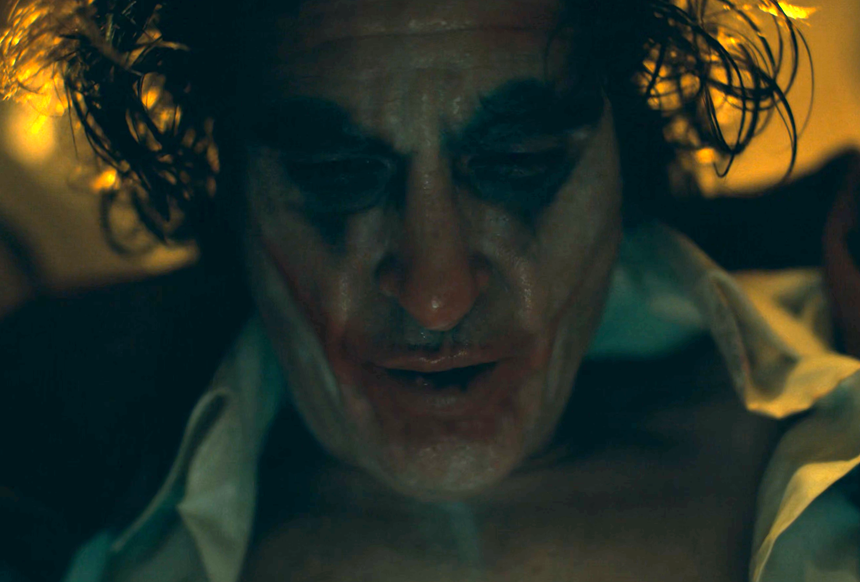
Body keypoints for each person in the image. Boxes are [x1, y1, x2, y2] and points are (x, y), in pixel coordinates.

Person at [2, 0, 860, 581]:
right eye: (336, 175)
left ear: (621, 156)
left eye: (519, 164)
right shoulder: (76, 505)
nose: (437, 295)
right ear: (228, 188)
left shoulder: (832, 424)